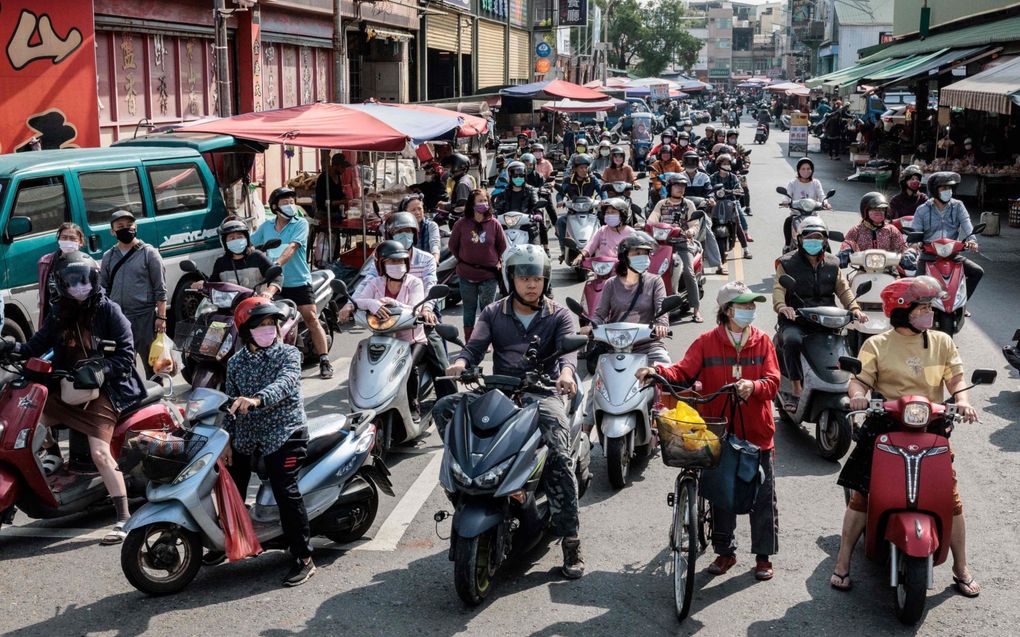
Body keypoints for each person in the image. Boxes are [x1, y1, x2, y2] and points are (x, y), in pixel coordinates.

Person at [436, 245, 585, 579]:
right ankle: (464, 495)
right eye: (523, 277)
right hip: (500, 390)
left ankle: (570, 540)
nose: (530, 284)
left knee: (560, 457)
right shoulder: (492, 312)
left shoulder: (559, 314)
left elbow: (568, 356)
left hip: (542, 393)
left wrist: (565, 375)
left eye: (536, 278)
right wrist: (461, 363)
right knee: (446, 409)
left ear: (545, 280)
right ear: (510, 279)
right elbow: (474, 348)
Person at [832, 276, 980, 597]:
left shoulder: (941, 341)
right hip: (886, 425)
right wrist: (858, 395)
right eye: (923, 308)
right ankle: (843, 562)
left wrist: (963, 401)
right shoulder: (877, 344)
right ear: (902, 311)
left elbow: (955, 378)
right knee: (863, 495)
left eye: (929, 307)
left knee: (950, 499)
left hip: (932, 426)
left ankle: (960, 567)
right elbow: (859, 380)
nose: (930, 313)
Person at [636, 281, 781, 580]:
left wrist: (752, 387)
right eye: (744, 306)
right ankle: (725, 552)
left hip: (758, 432)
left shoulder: (763, 341)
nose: (750, 311)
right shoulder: (706, 342)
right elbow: (683, 372)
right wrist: (657, 371)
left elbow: (773, 382)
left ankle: (763, 558)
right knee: (720, 494)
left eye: (752, 306)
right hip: (720, 431)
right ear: (728, 311)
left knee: (762, 498)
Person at [7, 251, 146, 544]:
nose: (78, 287)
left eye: (84, 281)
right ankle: (53, 459)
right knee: (30, 421)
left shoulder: (110, 311)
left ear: (93, 281)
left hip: (103, 392)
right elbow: (35, 345)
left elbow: (125, 357)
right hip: (67, 388)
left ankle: (123, 518)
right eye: (71, 283)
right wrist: (11, 348)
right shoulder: (60, 313)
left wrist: (100, 369)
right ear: (61, 285)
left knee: (99, 453)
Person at [219, 296, 315, 587]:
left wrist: (258, 398)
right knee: (226, 482)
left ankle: (304, 558)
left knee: (285, 489)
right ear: (246, 330)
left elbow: (285, 384)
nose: (268, 330)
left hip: (285, 433)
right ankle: (233, 538)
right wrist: (226, 439)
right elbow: (230, 403)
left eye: (271, 324)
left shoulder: (289, 354)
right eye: (260, 325)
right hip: (248, 435)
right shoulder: (235, 363)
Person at [342, 213, 454, 400]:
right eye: (399, 232)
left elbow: (430, 285)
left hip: (420, 316)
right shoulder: (380, 259)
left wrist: (426, 309)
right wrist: (349, 305)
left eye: (408, 232)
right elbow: (366, 284)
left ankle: (451, 405)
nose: (404, 236)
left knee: (440, 362)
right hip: (387, 322)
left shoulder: (425, 259)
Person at [773, 216, 867, 405]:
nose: (813, 241)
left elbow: (843, 289)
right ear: (799, 239)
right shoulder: (787, 263)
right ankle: (795, 386)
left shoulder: (832, 263)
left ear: (825, 240)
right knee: (792, 341)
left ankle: (852, 385)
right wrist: (783, 307)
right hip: (797, 319)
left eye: (818, 237)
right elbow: (778, 289)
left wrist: (855, 309)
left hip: (826, 319)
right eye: (809, 237)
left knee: (849, 343)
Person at [252, 187, 333, 379]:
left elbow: (292, 247)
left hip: (299, 282)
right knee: (270, 321)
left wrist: (277, 264)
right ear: (274, 207)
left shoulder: (300, 223)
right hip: (275, 284)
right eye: (285, 203)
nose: (290, 206)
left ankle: (324, 360)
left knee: (310, 317)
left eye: (291, 202)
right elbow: (250, 245)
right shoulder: (266, 227)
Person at [351, 240, 429, 417]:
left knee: (409, 367)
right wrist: (372, 303)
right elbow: (358, 301)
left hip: (412, 340)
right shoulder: (375, 282)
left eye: (401, 261)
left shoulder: (414, 282)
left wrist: (393, 303)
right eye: (392, 262)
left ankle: (413, 402)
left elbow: (415, 307)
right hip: (384, 337)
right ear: (381, 264)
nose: (397, 265)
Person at [582, 232, 670, 364]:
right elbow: (600, 314)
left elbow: (662, 308)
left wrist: (661, 325)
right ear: (624, 257)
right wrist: (590, 326)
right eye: (637, 253)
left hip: (648, 345)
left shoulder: (655, 281)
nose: (642, 257)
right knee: (601, 379)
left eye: (645, 253)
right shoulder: (611, 283)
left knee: (665, 367)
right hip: (616, 346)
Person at [99, 210, 167, 379]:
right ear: (112, 231)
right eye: (120, 226)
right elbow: (103, 288)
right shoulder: (108, 256)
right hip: (119, 318)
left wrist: (162, 317)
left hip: (144, 317)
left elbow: (160, 288)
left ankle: (159, 399)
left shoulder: (149, 253)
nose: (126, 229)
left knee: (153, 364)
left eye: (129, 226)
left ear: (136, 228)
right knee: (124, 365)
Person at [910, 172, 983, 299]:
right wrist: (915, 243)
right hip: (929, 255)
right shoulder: (922, 209)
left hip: (952, 255)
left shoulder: (958, 206)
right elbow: (915, 230)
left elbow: (966, 223)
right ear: (934, 190)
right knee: (916, 287)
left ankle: (962, 302)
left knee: (977, 272)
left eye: (949, 188)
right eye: (944, 188)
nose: (947, 191)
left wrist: (972, 240)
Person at [448, 189, 507, 343]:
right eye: (480, 201)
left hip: (488, 275)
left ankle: (485, 340)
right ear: (472, 204)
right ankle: (469, 340)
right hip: (466, 274)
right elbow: (453, 245)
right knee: (469, 309)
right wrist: (464, 259)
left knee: (487, 310)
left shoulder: (494, 224)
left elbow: (502, 245)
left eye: (485, 201)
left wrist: (493, 260)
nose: (483, 204)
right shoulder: (461, 224)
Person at [648, 174, 705, 322]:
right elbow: (652, 219)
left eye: (683, 186)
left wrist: (691, 231)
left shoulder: (688, 204)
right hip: (661, 244)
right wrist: (646, 226)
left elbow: (694, 224)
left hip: (682, 244)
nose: (680, 188)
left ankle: (696, 309)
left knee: (688, 271)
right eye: (677, 185)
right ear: (670, 187)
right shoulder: (661, 204)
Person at [195, 217, 283, 295]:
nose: (236, 240)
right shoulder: (221, 262)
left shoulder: (256, 256)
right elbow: (213, 284)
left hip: (258, 306)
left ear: (247, 239)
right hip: (230, 308)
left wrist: (269, 292)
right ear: (224, 242)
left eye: (240, 237)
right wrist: (202, 284)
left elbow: (277, 276)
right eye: (232, 238)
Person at [495, 161, 548, 253]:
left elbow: (536, 205)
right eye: (515, 176)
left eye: (521, 176)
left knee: (536, 253)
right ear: (509, 177)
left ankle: (546, 249)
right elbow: (498, 209)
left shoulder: (531, 190)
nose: (518, 178)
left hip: (527, 227)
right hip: (507, 228)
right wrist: (493, 215)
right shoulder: (503, 193)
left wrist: (538, 213)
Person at [38, 222, 85, 327]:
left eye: (72, 239)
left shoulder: (88, 264)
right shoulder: (45, 263)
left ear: (80, 242)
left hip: (78, 323)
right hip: (52, 321)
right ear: (59, 239)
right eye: (64, 237)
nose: (68, 241)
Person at [555, 155, 604, 257]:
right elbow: (560, 193)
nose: (584, 170)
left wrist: (604, 201)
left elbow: (602, 191)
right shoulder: (568, 180)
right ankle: (563, 249)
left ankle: (604, 249)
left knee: (604, 222)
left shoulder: (592, 179)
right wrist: (560, 201)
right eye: (581, 168)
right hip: (573, 212)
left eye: (586, 167)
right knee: (560, 222)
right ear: (575, 169)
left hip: (590, 212)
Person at [838, 193, 907, 263]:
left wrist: (909, 253)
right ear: (865, 211)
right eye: (875, 209)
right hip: (864, 269)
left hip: (889, 268)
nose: (879, 212)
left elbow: (902, 246)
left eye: (882, 209)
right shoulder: (857, 230)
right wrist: (845, 250)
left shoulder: (891, 230)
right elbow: (849, 242)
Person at [710, 154, 752, 260]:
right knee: (708, 224)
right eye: (724, 164)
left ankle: (746, 249)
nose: (727, 166)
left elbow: (739, 188)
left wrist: (737, 191)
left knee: (737, 223)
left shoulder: (732, 177)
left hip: (730, 203)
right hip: (715, 204)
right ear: (719, 165)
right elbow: (710, 190)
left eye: (728, 164)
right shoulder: (713, 177)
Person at [783, 157, 830, 249]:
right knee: (788, 222)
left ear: (812, 170)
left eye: (808, 169)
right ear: (798, 170)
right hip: (797, 215)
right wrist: (785, 202)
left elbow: (822, 195)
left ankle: (826, 249)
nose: (806, 171)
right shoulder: (793, 183)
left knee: (823, 229)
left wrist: (826, 203)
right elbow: (787, 195)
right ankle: (787, 245)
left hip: (813, 216)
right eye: (803, 169)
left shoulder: (816, 183)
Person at [572, 198, 635, 264]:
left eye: (613, 212)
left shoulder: (631, 233)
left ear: (622, 215)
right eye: (607, 213)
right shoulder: (602, 230)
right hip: (602, 269)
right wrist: (580, 256)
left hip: (624, 270)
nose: (609, 215)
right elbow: (590, 246)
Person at [316, 152, 361, 221]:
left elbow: (338, 194)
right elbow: (323, 203)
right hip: (325, 214)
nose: (344, 170)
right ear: (335, 166)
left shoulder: (338, 177)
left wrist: (346, 198)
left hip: (336, 213)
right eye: (342, 167)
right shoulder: (323, 178)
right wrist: (343, 201)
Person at [398, 194, 441, 263]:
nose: (417, 212)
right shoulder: (401, 228)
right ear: (406, 212)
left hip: (427, 263)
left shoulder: (431, 225)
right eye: (413, 210)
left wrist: (435, 259)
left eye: (419, 209)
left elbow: (435, 243)